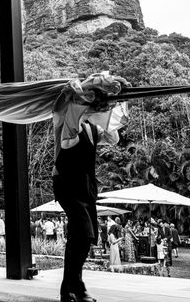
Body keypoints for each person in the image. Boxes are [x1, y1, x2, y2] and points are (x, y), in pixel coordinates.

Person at [52, 75, 127, 302]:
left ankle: (71, 289)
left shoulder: (93, 129)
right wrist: (84, 92)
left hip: (86, 188)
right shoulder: (64, 121)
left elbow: (113, 137)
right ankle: (75, 287)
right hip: (67, 185)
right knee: (82, 234)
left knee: (83, 238)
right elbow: (68, 130)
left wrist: (115, 103)